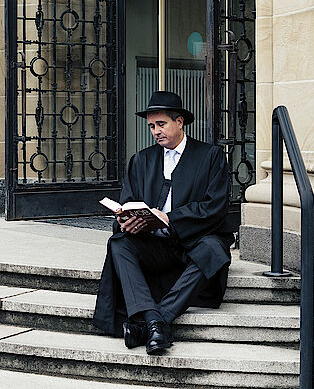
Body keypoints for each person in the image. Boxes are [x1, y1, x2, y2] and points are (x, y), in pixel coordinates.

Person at [93, 90, 234, 355]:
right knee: (120, 243)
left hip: (193, 243)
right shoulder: (141, 160)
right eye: (151, 126)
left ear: (179, 122)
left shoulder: (210, 156)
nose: (156, 131)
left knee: (214, 248)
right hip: (155, 246)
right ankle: (155, 321)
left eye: (161, 124)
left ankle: (153, 322)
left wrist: (169, 218)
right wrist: (127, 221)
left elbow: (215, 208)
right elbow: (128, 202)